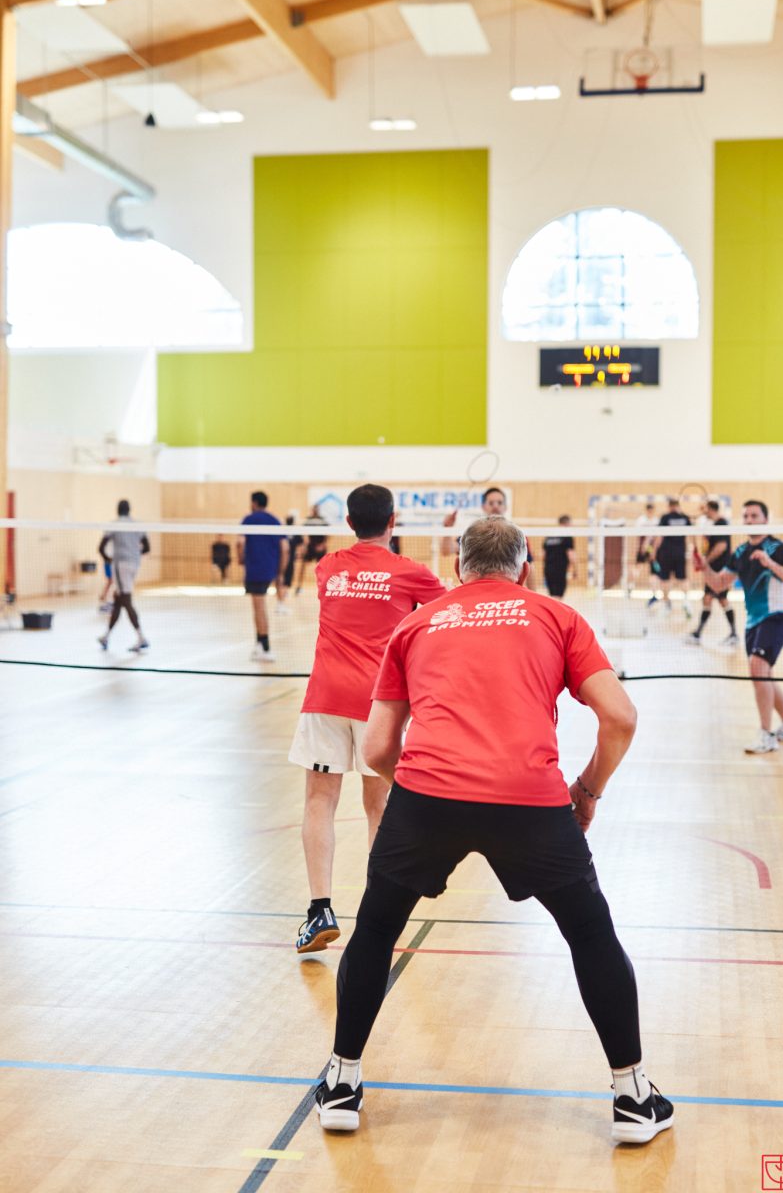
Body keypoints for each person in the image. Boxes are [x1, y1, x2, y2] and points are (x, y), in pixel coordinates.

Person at [313, 516, 674, 1145]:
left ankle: (342, 1084)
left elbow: (375, 749)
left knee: (374, 931)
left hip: (425, 799)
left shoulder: (416, 624)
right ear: (525, 569)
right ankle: (633, 1097)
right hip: (530, 801)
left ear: (457, 569)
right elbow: (620, 716)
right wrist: (586, 791)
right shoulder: (558, 617)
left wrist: (422, 788)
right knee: (591, 935)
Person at [289, 484, 446, 954]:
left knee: (319, 801)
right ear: (393, 521)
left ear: (349, 523)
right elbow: (446, 614)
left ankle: (320, 910)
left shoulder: (327, 568)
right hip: (380, 705)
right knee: (378, 807)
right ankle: (379, 913)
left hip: (325, 699)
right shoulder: (410, 573)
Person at [702, 499, 783, 754]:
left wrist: (770, 564)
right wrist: (704, 568)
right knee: (762, 674)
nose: (749, 520)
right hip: (754, 620)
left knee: (758, 668)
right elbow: (719, 584)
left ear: (765, 519)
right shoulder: (741, 552)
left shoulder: (777, 548)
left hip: (778, 614)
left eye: (754, 515)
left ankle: (766, 735)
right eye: (745, 516)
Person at [443, 486, 536, 590]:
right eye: (491, 503)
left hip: (507, 591)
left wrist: (533, 594)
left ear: (506, 507)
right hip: (477, 590)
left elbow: (529, 566)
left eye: (499, 503)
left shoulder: (518, 537)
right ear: (483, 507)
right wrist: (447, 528)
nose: (495, 506)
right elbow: (446, 550)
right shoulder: (472, 534)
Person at [237, 491, 288, 661]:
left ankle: (265, 648)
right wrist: (280, 571)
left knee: (258, 608)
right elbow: (285, 548)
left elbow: (240, 542)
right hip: (271, 568)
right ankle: (259, 644)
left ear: (254, 503)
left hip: (256, 569)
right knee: (258, 607)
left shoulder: (248, 519)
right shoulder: (275, 520)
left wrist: (241, 559)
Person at [97, 499, 150, 653]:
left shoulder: (114, 525)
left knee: (125, 599)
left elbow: (101, 547)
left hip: (120, 565)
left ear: (117, 510)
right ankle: (106, 636)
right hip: (135, 565)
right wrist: (134, 554)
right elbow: (147, 547)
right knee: (118, 599)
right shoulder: (137, 525)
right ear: (129, 510)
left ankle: (141, 637)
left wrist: (108, 559)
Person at [686, 499, 737, 647]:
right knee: (712, 599)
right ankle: (700, 633)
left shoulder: (721, 523)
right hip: (712, 569)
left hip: (720, 569)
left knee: (717, 599)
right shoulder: (713, 524)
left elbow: (722, 546)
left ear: (711, 509)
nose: (704, 512)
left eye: (706, 509)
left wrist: (706, 561)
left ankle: (731, 634)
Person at [651, 496, 690, 616]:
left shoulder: (665, 517)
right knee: (683, 579)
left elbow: (659, 536)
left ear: (669, 506)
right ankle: (686, 602)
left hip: (666, 554)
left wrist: (654, 552)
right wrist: (692, 551)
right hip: (680, 553)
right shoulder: (685, 518)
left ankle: (667, 605)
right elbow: (691, 535)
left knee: (665, 580)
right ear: (677, 505)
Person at [294, 505, 329, 594]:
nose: (314, 511)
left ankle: (324, 587)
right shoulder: (308, 520)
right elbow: (304, 534)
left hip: (320, 547)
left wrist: (323, 545)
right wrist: (305, 546)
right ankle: (299, 586)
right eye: (313, 509)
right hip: (310, 547)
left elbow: (328, 534)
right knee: (303, 566)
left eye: (316, 509)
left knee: (323, 568)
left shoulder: (322, 520)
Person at [543, 515, 576, 599]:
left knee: (552, 595)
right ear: (567, 523)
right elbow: (570, 555)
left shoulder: (549, 536)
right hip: (560, 570)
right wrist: (575, 569)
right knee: (558, 596)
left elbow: (543, 555)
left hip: (548, 570)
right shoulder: (567, 536)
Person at [634, 501, 660, 601]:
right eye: (649, 510)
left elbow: (657, 537)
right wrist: (641, 547)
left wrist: (654, 550)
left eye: (652, 510)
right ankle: (630, 587)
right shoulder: (641, 520)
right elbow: (638, 536)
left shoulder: (656, 521)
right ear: (647, 510)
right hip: (642, 549)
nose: (650, 512)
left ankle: (654, 593)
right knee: (638, 567)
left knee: (654, 571)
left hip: (653, 549)